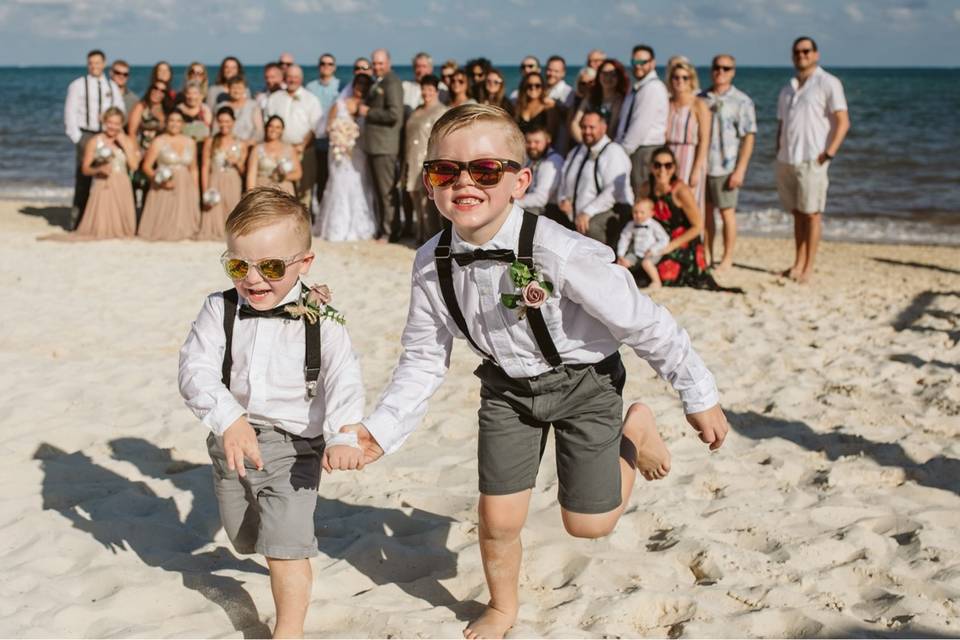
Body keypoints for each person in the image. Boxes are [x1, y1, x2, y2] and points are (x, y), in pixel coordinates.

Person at [330, 104, 728, 639]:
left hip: (585, 383)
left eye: (486, 171)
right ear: (429, 184)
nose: (464, 182)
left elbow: (644, 322)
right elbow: (424, 356)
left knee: (589, 525)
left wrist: (697, 393)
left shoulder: (560, 252)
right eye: (445, 171)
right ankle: (502, 606)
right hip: (506, 392)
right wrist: (381, 430)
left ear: (519, 181)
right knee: (496, 520)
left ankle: (633, 428)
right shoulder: (430, 262)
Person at [178, 187, 364, 639]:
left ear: (304, 263)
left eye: (272, 267)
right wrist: (229, 419)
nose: (254, 279)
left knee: (285, 547)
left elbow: (343, 378)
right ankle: (270, 545)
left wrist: (343, 434)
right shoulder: (218, 309)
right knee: (245, 538)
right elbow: (194, 369)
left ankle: (289, 630)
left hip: (296, 447)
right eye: (239, 266)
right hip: (232, 439)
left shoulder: (323, 319)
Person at [776, 36, 850, 284]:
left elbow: (843, 121)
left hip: (813, 159)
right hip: (788, 158)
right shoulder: (788, 88)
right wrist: (778, 148)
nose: (802, 55)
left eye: (807, 51)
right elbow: (782, 123)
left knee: (812, 214)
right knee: (797, 213)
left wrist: (829, 153)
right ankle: (797, 263)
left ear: (816, 54)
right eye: (797, 51)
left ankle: (809, 267)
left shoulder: (828, 82)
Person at [637, 146, 733, 290]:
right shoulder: (646, 188)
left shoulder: (680, 191)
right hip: (656, 238)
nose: (662, 170)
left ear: (674, 168)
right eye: (657, 165)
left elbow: (698, 226)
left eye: (668, 166)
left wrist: (670, 247)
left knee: (662, 272)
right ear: (651, 167)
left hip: (681, 242)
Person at [700, 54, 756, 272]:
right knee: (706, 215)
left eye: (726, 68)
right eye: (717, 67)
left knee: (727, 213)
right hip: (703, 166)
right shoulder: (701, 98)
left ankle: (727, 257)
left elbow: (749, 138)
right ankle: (707, 255)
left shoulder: (742, 101)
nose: (720, 72)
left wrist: (740, 170)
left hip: (727, 167)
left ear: (733, 71)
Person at [49, 107, 139, 241]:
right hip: (102, 185)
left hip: (122, 184)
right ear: (104, 122)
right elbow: (85, 169)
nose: (112, 127)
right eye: (110, 122)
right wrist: (98, 170)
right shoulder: (95, 141)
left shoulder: (126, 141)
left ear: (121, 125)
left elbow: (134, 166)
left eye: (116, 123)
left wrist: (124, 145)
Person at [64, 49, 125, 228]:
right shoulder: (77, 85)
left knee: (107, 174)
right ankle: (77, 220)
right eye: (91, 63)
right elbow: (70, 114)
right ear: (87, 64)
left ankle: (103, 217)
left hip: (108, 135)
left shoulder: (111, 86)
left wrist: (114, 134)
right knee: (84, 178)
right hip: (86, 134)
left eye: (98, 63)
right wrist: (78, 138)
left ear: (104, 64)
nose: (94, 66)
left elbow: (119, 110)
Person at [313, 74, 378, 241]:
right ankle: (336, 227)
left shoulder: (370, 106)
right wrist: (338, 136)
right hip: (339, 152)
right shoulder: (339, 104)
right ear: (353, 85)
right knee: (339, 184)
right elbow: (327, 127)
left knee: (359, 183)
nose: (360, 89)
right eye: (358, 85)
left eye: (364, 86)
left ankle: (359, 226)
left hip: (359, 152)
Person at [559, 110, 633, 249]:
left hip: (608, 211)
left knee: (590, 227)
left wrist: (588, 212)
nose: (587, 131)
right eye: (583, 127)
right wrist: (563, 198)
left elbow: (614, 191)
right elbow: (563, 178)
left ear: (603, 128)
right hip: (573, 215)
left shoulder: (613, 152)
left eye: (591, 127)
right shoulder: (576, 151)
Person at [359, 48, 404, 242]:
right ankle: (383, 228)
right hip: (375, 145)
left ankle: (390, 231)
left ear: (389, 63)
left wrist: (369, 112)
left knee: (386, 192)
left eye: (380, 63)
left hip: (384, 146)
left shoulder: (392, 82)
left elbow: (394, 114)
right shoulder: (379, 81)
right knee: (379, 191)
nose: (377, 67)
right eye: (374, 63)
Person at [137, 110, 201, 241]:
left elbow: (193, 168)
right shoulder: (159, 141)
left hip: (185, 184)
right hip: (164, 184)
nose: (174, 124)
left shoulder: (190, 142)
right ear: (166, 123)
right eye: (171, 120)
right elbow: (146, 166)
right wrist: (160, 180)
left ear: (183, 124)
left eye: (178, 121)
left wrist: (195, 190)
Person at [616, 44, 670, 198]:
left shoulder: (652, 88)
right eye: (635, 63)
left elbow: (640, 126)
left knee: (641, 196)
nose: (638, 66)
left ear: (652, 63)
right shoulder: (638, 88)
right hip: (634, 149)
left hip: (644, 150)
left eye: (643, 62)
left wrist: (621, 153)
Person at [266, 64, 322, 209]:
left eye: (296, 77)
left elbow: (316, 127)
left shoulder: (311, 100)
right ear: (285, 77)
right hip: (279, 152)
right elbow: (268, 123)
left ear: (301, 79)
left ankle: (304, 227)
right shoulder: (274, 98)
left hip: (304, 151)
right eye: (290, 76)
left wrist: (302, 146)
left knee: (304, 192)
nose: (292, 80)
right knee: (280, 191)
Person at [402, 74, 448, 244]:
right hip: (411, 158)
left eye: (430, 89)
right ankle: (420, 236)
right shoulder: (417, 110)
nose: (426, 92)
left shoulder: (441, 111)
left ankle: (433, 239)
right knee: (416, 201)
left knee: (428, 203)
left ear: (436, 91)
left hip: (428, 160)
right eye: (424, 88)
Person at [666, 60, 710, 212]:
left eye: (685, 78)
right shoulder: (668, 103)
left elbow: (704, 140)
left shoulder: (699, 105)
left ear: (691, 80)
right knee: (671, 201)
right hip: (669, 158)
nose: (680, 81)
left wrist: (696, 169)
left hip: (690, 157)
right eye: (676, 77)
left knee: (691, 204)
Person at [198, 107, 247, 241]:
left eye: (227, 121)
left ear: (233, 122)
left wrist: (237, 163)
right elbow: (205, 166)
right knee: (213, 209)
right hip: (215, 179)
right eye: (221, 121)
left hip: (233, 180)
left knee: (232, 207)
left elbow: (244, 172)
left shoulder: (241, 144)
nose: (224, 124)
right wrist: (205, 191)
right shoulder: (211, 141)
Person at [127, 80, 169, 213]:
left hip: (159, 154)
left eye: (162, 90)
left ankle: (149, 216)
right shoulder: (141, 106)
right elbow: (132, 131)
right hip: (143, 152)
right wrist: (136, 152)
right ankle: (133, 218)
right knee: (137, 185)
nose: (158, 92)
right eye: (155, 88)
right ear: (150, 89)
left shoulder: (165, 109)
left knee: (153, 187)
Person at [306, 53, 342, 205]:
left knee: (335, 179)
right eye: (323, 63)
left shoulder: (341, 85)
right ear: (319, 66)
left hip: (337, 140)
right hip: (316, 140)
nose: (326, 66)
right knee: (319, 178)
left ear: (334, 67)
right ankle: (319, 213)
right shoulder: (310, 87)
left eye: (329, 64)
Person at [516, 124, 566, 228]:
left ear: (548, 140)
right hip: (529, 202)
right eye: (528, 142)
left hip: (548, 211)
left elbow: (540, 198)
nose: (532, 146)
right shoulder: (531, 158)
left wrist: (514, 202)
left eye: (537, 142)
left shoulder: (552, 162)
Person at [570, 59, 628, 146]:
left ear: (619, 77)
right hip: (585, 142)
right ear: (599, 75)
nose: (608, 78)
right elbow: (575, 122)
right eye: (604, 73)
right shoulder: (590, 96)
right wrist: (583, 144)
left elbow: (611, 129)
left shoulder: (619, 100)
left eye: (613, 74)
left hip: (606, 146)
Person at [616, 197, 669, 289]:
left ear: (651, 213)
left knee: (646, 263)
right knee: (622, 263)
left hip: (652, 253)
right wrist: (620, 254)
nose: (638, 215)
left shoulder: (654, 225)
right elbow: (624, 238)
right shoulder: (631, 225)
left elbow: (664, 239)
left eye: (642, 212)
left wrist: (653, 249)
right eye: (635, 212)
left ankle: (656, 282)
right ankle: (620, 283)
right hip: (636, 253)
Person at [247, 115, 301, 195]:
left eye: (277, 127)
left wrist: (284, 176)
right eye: (271, 126)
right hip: (263, 191)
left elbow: (298, 173)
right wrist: (250, 195)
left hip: (285, 191)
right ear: (266, 128)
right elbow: (251, 175)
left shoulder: (290, 149)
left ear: (282, 130)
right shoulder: (257, 149)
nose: (273, 130)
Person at [514, 72, 561, 141]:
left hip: (540, 149)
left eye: (537, 85)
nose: (533, 88)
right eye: (529, 85)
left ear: (542, 87)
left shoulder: (548, 108)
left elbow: (551, 135)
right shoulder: (518, 107)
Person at [176, 81, 213, 154]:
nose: (192, 97)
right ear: (185, 94)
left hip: (201, 150)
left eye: (195, 93)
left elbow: (208, 133)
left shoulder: (205, 110)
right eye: (188, 93)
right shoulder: (178, 109)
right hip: (182, 150)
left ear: (200, 95)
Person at [223, 76, 263, 143]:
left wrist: (249, 143)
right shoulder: (222, 106)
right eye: (233, 88)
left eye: (239, 88)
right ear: (228, 89)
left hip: (249, 144)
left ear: (244, 89)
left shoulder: (253, 106)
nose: (236, 91)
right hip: (227, 145)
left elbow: (259, 130)